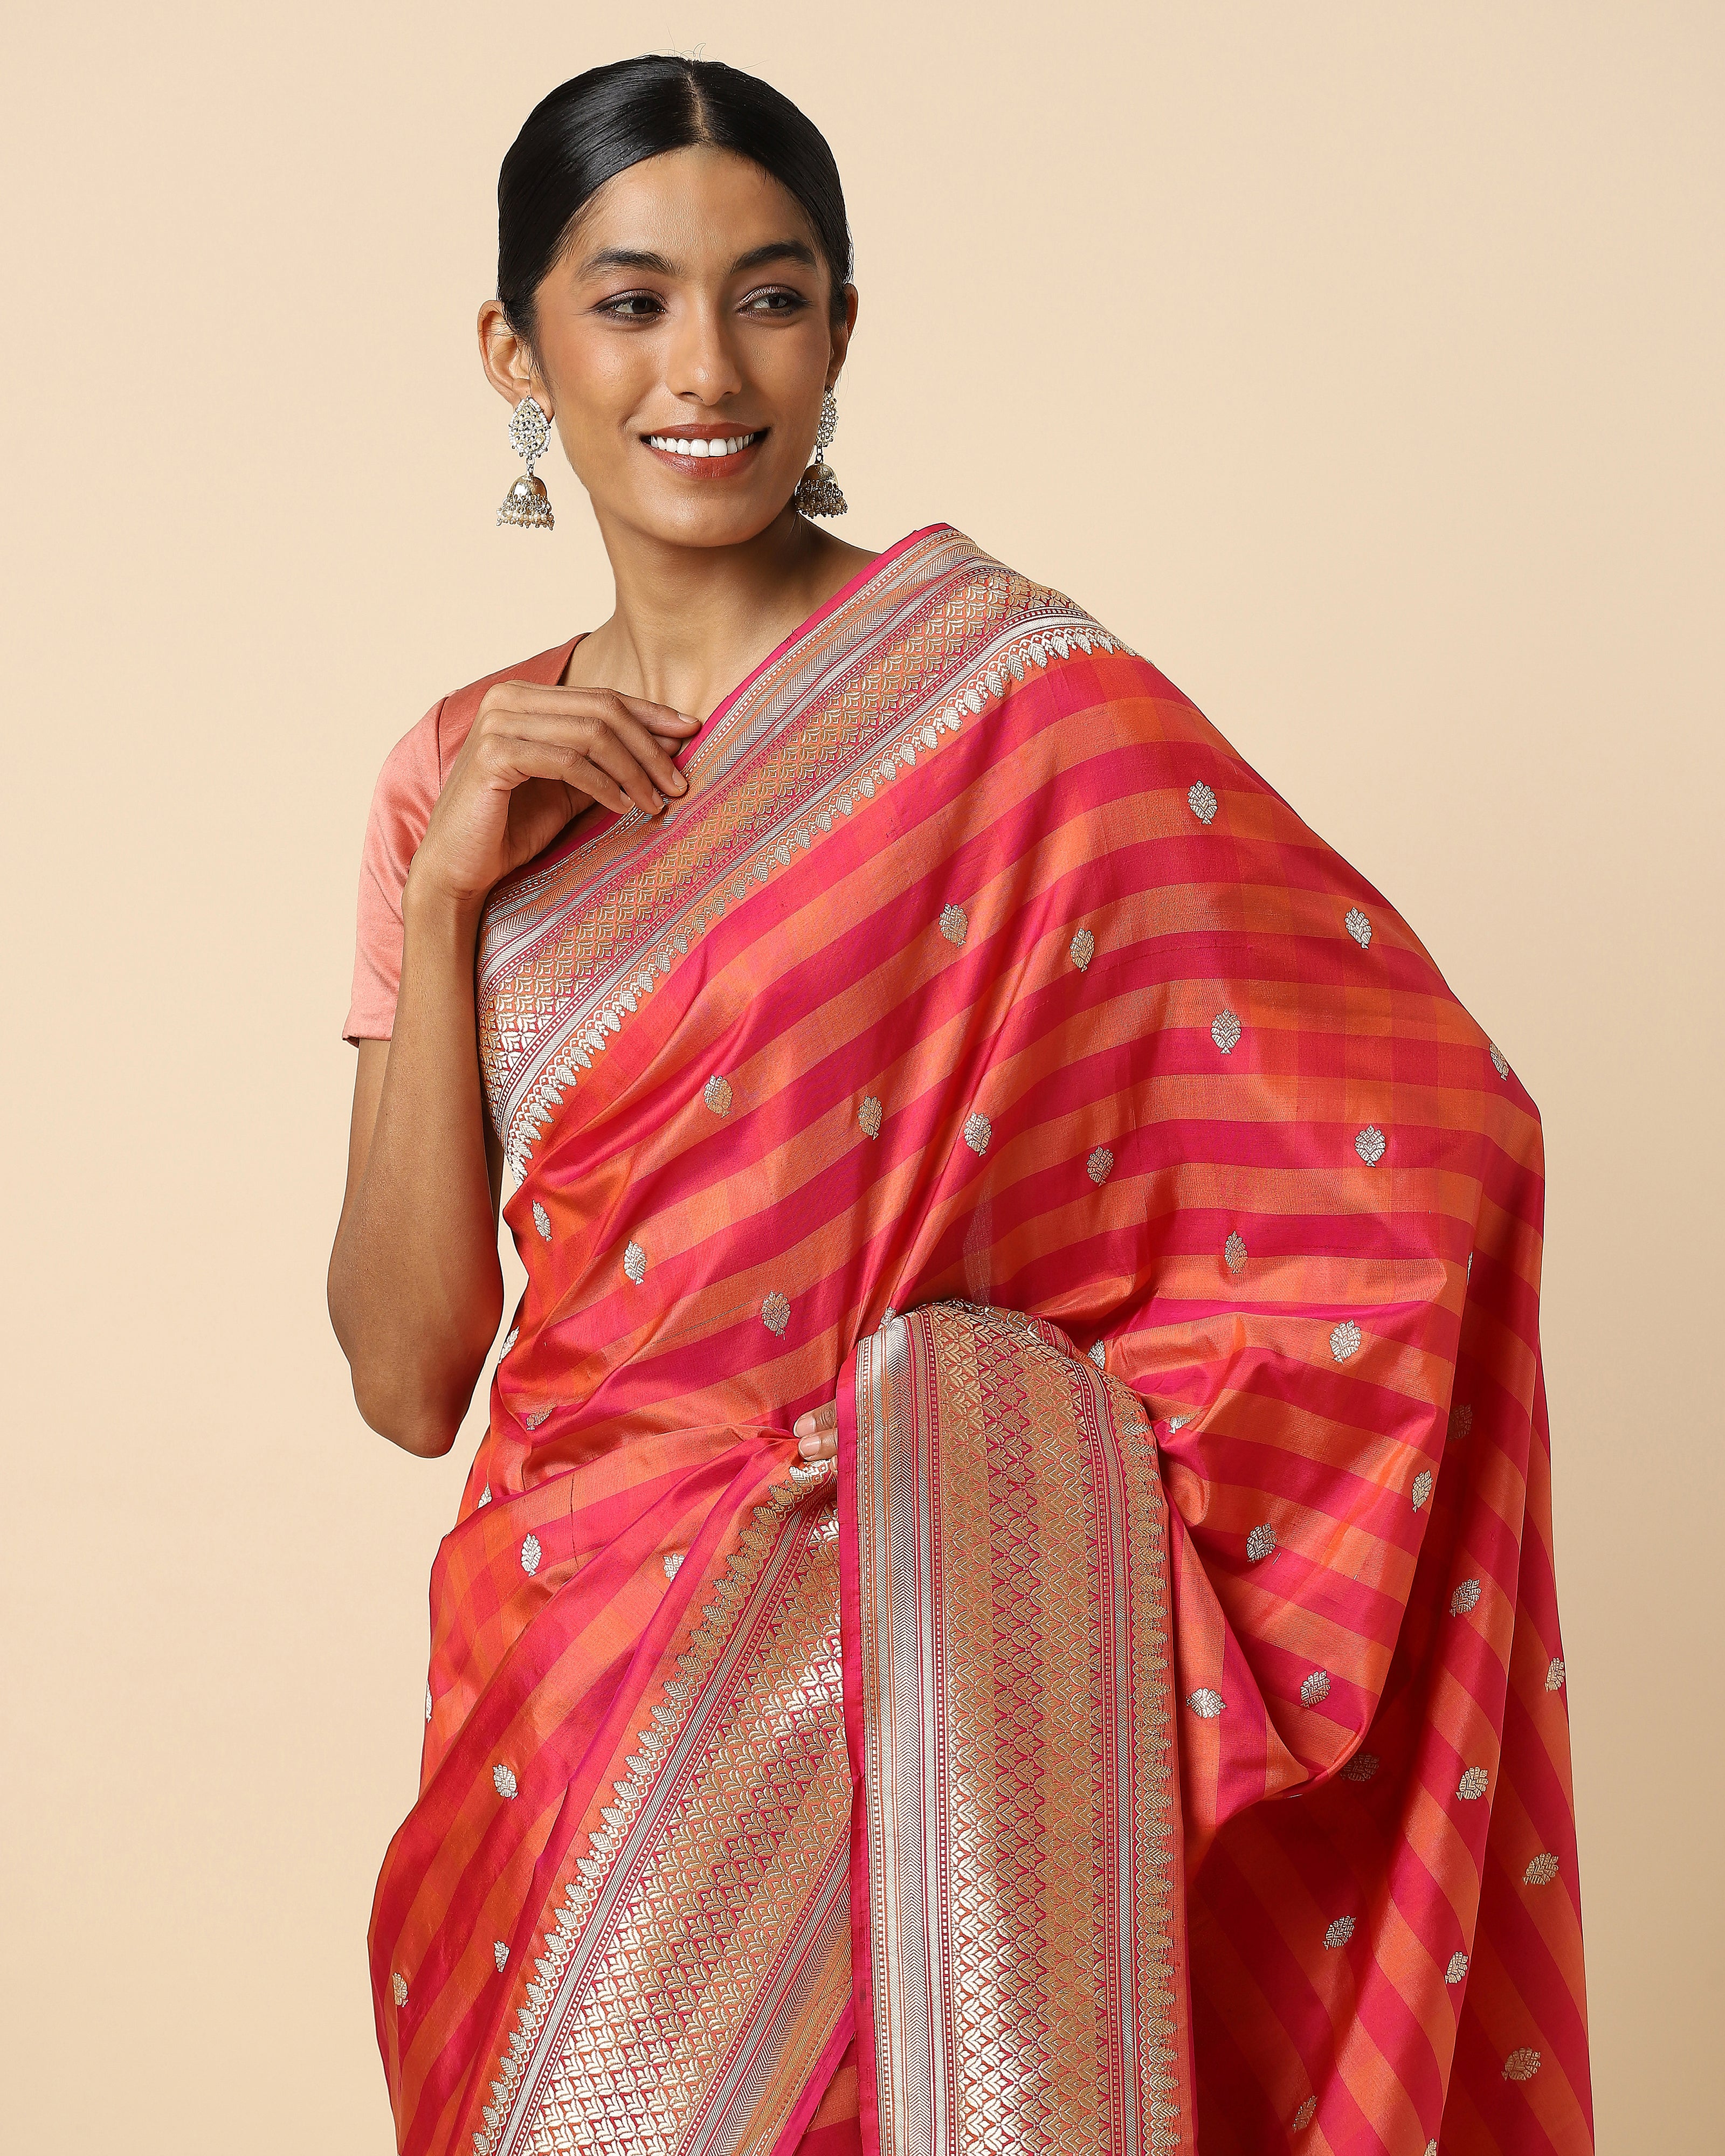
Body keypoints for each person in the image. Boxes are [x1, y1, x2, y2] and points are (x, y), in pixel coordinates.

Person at [329, 54, 1592, 2156]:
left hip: (922, 1679)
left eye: (771, 296)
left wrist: (976, 1461)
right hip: (566, 1693)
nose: (704, 368)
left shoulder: (1013, 703)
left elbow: (1434, 1154)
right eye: (630, 302)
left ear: (840, 330)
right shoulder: (446, 777)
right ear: (515, 353)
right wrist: (455, 885)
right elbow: (404, 1374)